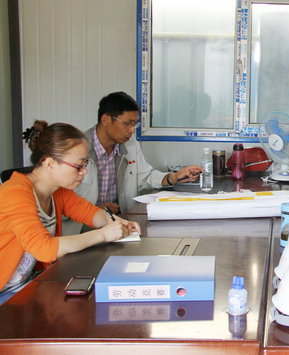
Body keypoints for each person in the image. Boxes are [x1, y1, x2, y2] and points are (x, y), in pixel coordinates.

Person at [0, 121, 141, 304]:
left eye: (85, 164)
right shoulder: (15, 193)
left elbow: (90, 213)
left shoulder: (57, 191)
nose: (84, 172)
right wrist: (103, 235)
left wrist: (115, 222)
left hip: (27, 284)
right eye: (78, 166)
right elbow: (44, 249)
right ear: (50, 163)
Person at [75, 91, 202, 214]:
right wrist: (93, 211)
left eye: (135, 124)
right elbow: (65, 201)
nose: (132, 130)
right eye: (127, 124)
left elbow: (145, 177)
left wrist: (173, 177)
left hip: (120, 219)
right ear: (106, 119)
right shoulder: (77, 149)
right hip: (83, 223)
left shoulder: (130, 145)